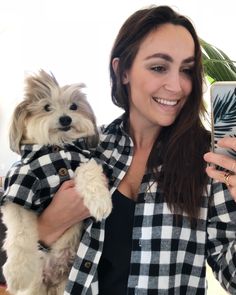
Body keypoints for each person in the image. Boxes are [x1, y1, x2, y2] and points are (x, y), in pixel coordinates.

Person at [37, 5, 236, 294]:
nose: (177, 85)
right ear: (122, 71)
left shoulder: (209, 162)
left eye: (187, 70)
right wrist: (47, 226)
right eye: (159, 67)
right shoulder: (83, 150)